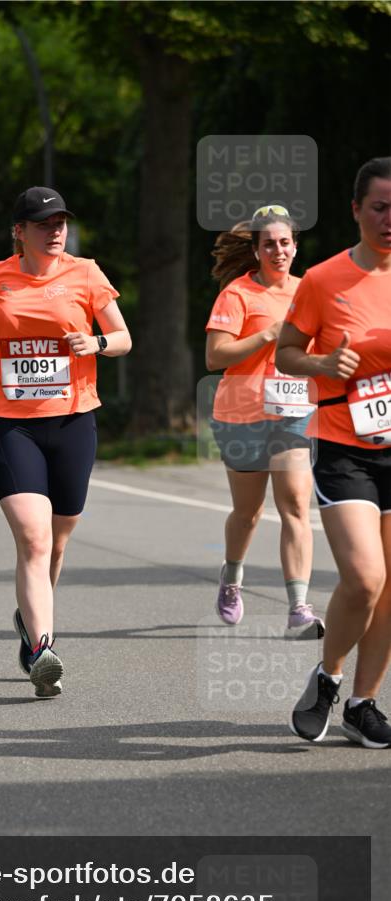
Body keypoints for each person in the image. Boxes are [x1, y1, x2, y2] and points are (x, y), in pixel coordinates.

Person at [0, 186, 132, 697]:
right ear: (20, 231)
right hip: (12, 423)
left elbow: (123, 337)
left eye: (60, 222)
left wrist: (96, 342)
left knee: (57, 540)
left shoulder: (86, 273)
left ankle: (30, 618)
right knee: (34, 539)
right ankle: (42, 650)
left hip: (73, 422)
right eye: (43, 224)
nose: (55, 231)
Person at [276, 156, 391, 748]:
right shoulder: (324, 279)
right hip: (345, 443)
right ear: (356, 210)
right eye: (380, 207)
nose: (390, 219)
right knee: (366, 578)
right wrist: (323, 363)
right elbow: (286, 353)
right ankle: (328, 677)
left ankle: (363, 704)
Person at [205, 206, 323, 638]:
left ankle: (299, 609)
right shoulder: (237, 294)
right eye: (269, 243)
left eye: (285, 242)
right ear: (255, 250)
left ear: (295, 246)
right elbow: (215, 357)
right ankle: (232, 578)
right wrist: (268, 334)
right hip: (242, 414)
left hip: (294, 413)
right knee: (248, 512)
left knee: (294, 504)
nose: (278, 250)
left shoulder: (311, 291)